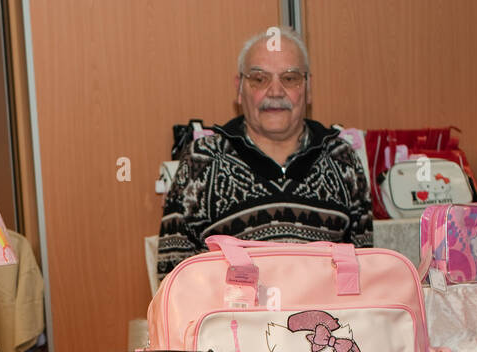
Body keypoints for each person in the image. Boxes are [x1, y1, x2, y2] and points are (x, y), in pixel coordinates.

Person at [156, 28, 372, 281]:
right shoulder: (201, 160)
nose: (275, 92)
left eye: (290, 78)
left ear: (308, 87)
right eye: (259, 79)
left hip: (324, 319)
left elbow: (363, 272)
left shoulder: (342, 158)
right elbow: (171, 279)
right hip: (231, 318)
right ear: (239, 88)